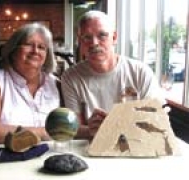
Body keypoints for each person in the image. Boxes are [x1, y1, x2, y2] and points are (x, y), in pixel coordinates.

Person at [61, 10, 165, 140]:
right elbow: (73, 127)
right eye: (87, 37)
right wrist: (90, 130)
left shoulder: (140, 72)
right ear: (80, 41)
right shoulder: (70, 77)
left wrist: (117, 127)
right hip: (93, 148)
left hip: (137, 145)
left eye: (102, 35)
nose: (94, 43)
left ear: (114, 38)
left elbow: (157, 120)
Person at [0, 23, 60, 144]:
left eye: (41, 47)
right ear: (13, 50)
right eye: (28, 44)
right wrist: (42, 133)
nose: (35, 51)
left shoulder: (55, 84)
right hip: (6, 159)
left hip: (50, 157)